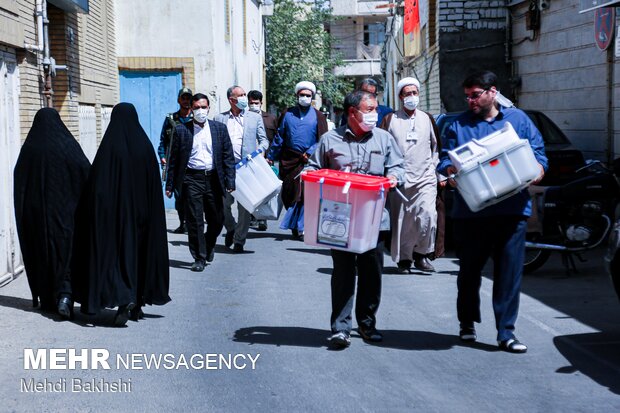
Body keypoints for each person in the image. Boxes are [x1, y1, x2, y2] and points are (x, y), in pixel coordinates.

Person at [437, 70, 548, 353]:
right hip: (472, 213)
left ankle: (506, 332)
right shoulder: (458, 124)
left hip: (512, 211)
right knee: (469, 272)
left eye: (475, 95)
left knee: (509, 273)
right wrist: (448, 169)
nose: (470, 101)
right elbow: (442, 159)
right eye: (467, 96)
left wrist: (538, 171)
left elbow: (539, 155)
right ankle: (467, 323)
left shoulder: (518, 121)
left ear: (492, 92)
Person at [306, 90, 404, 349]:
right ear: (352, 113)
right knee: (343, 273)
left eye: (375, 109)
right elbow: (313, 168)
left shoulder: (384, 139)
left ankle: (367, 323)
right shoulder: (330, 140)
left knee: (372, 273)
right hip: (339, 218)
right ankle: (340, 327)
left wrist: (395, 177)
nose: (374, 114)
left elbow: (397, 167)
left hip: (374, 219)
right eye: (369, 109)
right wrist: (311, 175)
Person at [72, 103, 170, 326]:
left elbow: (96, 187)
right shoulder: (144, 147)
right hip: (143, 217)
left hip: (113, 218)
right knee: (138, 256)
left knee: (115, 257)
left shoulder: (110, 147)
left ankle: (122, 299)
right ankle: (135, 301)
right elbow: (153, 187)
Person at [13, 108, 91, 319]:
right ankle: (65, 295)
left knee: (41, 253)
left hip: (37, 217)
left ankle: (47, 298)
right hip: (66, 213)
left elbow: (19, 180)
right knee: (65, 252)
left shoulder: (30, 148)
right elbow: (85, 170)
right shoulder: (67, 145)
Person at [380, 77, 444, 273]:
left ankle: (422, 255)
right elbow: (382, 148)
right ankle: (404, 260)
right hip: (400, 179)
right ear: (400, 97)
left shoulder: (427, 118)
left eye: (415, 93)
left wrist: (435, 171)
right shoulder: (390, 120)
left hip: (425, 178)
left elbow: (436, 148)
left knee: (427, 215)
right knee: (403, 221)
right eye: (408, 93)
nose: (412, 97)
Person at [165, 93, 236, 271]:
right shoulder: (182, 130)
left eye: (203, 107)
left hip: (213, 178)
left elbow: (228, 156)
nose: (200, 110)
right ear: (191, 109)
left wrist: (230, 180)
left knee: (217, 219)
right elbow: (173, 159)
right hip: (191, 179)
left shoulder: (219, 129)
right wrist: (170, 185)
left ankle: (209, 243)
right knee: (194, 221)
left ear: (209, 108)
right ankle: (199, 257)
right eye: (196, 107)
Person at [268, 81, 328, 240]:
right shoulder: (287, 114)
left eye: (308, 95)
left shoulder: (319, 116)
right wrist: (270, 156)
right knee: (288, 194)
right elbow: (280, 136)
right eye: (302, 95)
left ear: (312, 97)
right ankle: (295, 225)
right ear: (297, 96)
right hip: (288, 161)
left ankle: (302, 227)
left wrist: (310, 152)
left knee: (303, 195)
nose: (305, 98)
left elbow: (323, 139)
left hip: (309, 162)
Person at [214, 86, 268, 252]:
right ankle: (231, 227)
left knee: (244, 207)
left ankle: (239, 240)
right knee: (223, 205)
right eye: (242, 95)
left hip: (246, 168)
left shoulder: (254, 118)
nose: (245, 97)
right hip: (226, 169)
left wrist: (259, 152)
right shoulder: (219, 118)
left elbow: (264, 140)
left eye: (245, 94)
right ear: (232, 99)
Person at [158, 87, 194, 234]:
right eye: (183, 98)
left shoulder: (197, 118)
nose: (186, 101)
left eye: (188, 98)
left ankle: (192, 222)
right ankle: (183, 223)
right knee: (179, 196)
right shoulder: (171, 120)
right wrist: (162, 156)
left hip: (193, 162)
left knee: (192, 196)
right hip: (176, 164)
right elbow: (163, 142)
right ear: (179, 100)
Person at [248, 89, 278, 232]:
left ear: (261, 103)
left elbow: (275, 140)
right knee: (250, 190)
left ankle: (262, 219)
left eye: (256, 103)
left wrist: (270, 157)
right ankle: (252, 217)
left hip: (264, 159)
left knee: (263, 190)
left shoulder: (270, 119)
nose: (253, 105)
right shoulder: (244, 117)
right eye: (251, 103)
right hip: (247, 160)